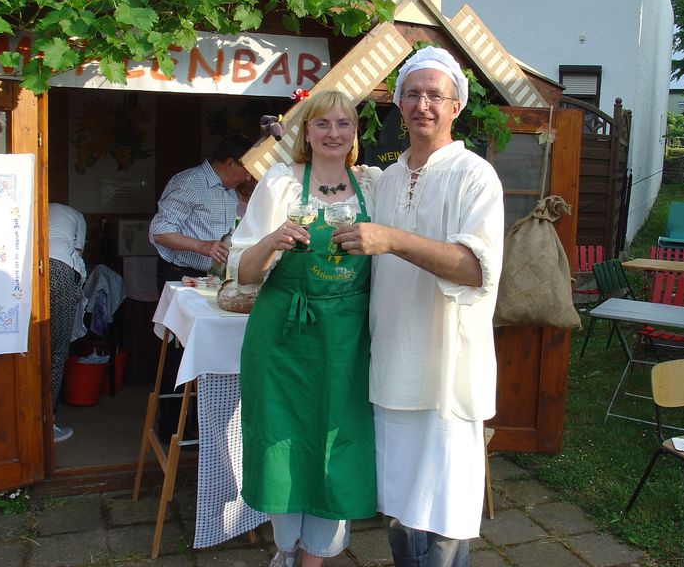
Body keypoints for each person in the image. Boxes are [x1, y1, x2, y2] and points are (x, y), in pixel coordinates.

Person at [333, 47, 505, 565]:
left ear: (456, 106)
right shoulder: (383, 180)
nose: (422, 104)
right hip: (391, 369)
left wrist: (392, 239)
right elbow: (322, 166)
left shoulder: (475, 176)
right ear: (399, 106)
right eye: (412, 93)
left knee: (445, 512)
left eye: (435, 94)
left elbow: (477, 269)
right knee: (401, 508)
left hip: (445, 372)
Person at [228, 90, 382, 567]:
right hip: (283, 337)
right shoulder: (280, 184)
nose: (333, 133)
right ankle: (286, 549)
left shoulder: (373, 187)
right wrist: (273, 240)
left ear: (355, 134)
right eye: (322, 125)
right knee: (283, 442)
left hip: (346, 339)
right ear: (306, 133)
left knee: (337, 442)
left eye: (343, 125)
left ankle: (314, 557)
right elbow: (243, 272)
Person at [149, 136, 250, 441]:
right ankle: (171, 428)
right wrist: (203, 246)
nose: (247, 176)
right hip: (181, 274)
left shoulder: (230, 189)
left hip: (213, 278)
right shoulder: (190, 183)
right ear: (230, 163)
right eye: (245, 169)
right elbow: (159, 231)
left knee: (209, 349)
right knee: (178, 353)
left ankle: (208, 427)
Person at [48, 203, 88, 443]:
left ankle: (23, 421)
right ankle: (48, 425)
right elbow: (78, 252)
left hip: (26, 267)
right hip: (60, 270)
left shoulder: (33, 207)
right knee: (56, 351)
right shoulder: (77, 215)